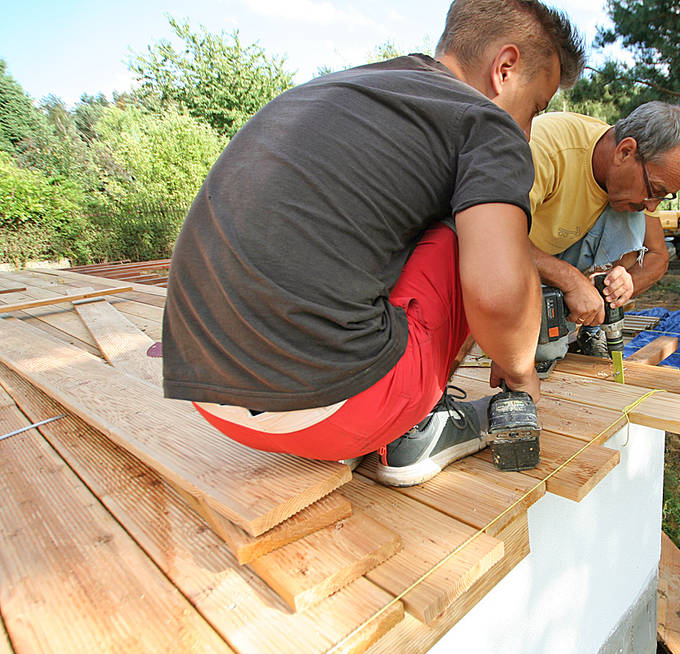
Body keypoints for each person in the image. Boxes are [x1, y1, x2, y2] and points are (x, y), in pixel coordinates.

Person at [162, 0, 585, 486]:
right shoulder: (485, 123)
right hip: (340, 411)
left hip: (209, 397)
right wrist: (520, 373)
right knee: (480, 229)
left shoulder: (332, 89)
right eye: (535, 107)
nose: (528, 131)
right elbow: (497, 292)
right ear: (505, 69)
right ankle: (415, 431)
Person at [526, 102, 680, 368]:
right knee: (542, 356)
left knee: (631, 207)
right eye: (655, 189)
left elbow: (658, 255)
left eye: (663, 197)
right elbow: (493, 236)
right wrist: (572, 282)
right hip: (512, 266)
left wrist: (627, 283)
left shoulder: (638, 182)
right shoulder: (547, 146)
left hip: (560, 262)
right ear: (625, 151)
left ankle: (594, 327)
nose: (653, 206)